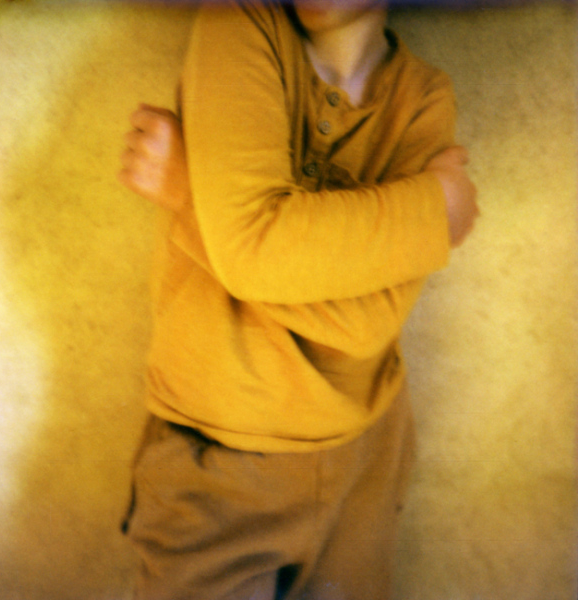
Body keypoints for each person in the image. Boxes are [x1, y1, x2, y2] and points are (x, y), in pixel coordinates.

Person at [118, 0, 478, 598]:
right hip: (219, 457)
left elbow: (368, 324)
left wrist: (190, 193)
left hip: (366, 456)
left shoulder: (423, 95)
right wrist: (431, 213)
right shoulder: (240, 20)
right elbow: (254, 248)